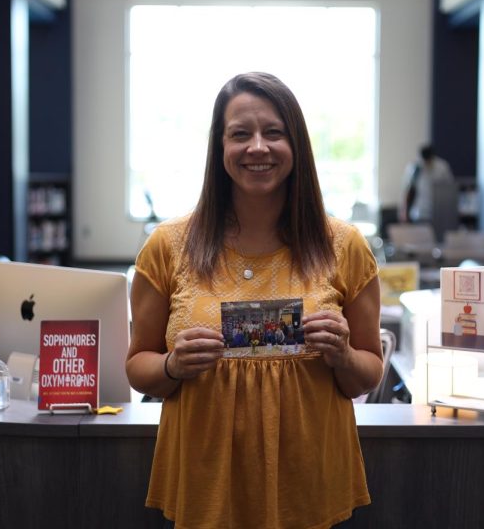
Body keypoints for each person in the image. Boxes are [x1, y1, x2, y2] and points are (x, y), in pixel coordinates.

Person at [126, 72, 383, 528]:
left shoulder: (344, 246)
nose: (257, 148)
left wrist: (342, 355)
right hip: (205, 484)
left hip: (308, 486)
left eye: (274, 132)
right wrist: (172, 366)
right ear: (219, 147)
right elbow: (138, 365)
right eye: (240, 134)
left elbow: (367, 374)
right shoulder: (168, 246)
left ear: (296, 145)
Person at [398, 144, 454, 224]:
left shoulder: (442, 167)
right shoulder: (414, 168)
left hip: (438, 212)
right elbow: (408, 190)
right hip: (419, 212)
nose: (426, 163)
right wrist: (404, 211)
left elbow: (449, 188)